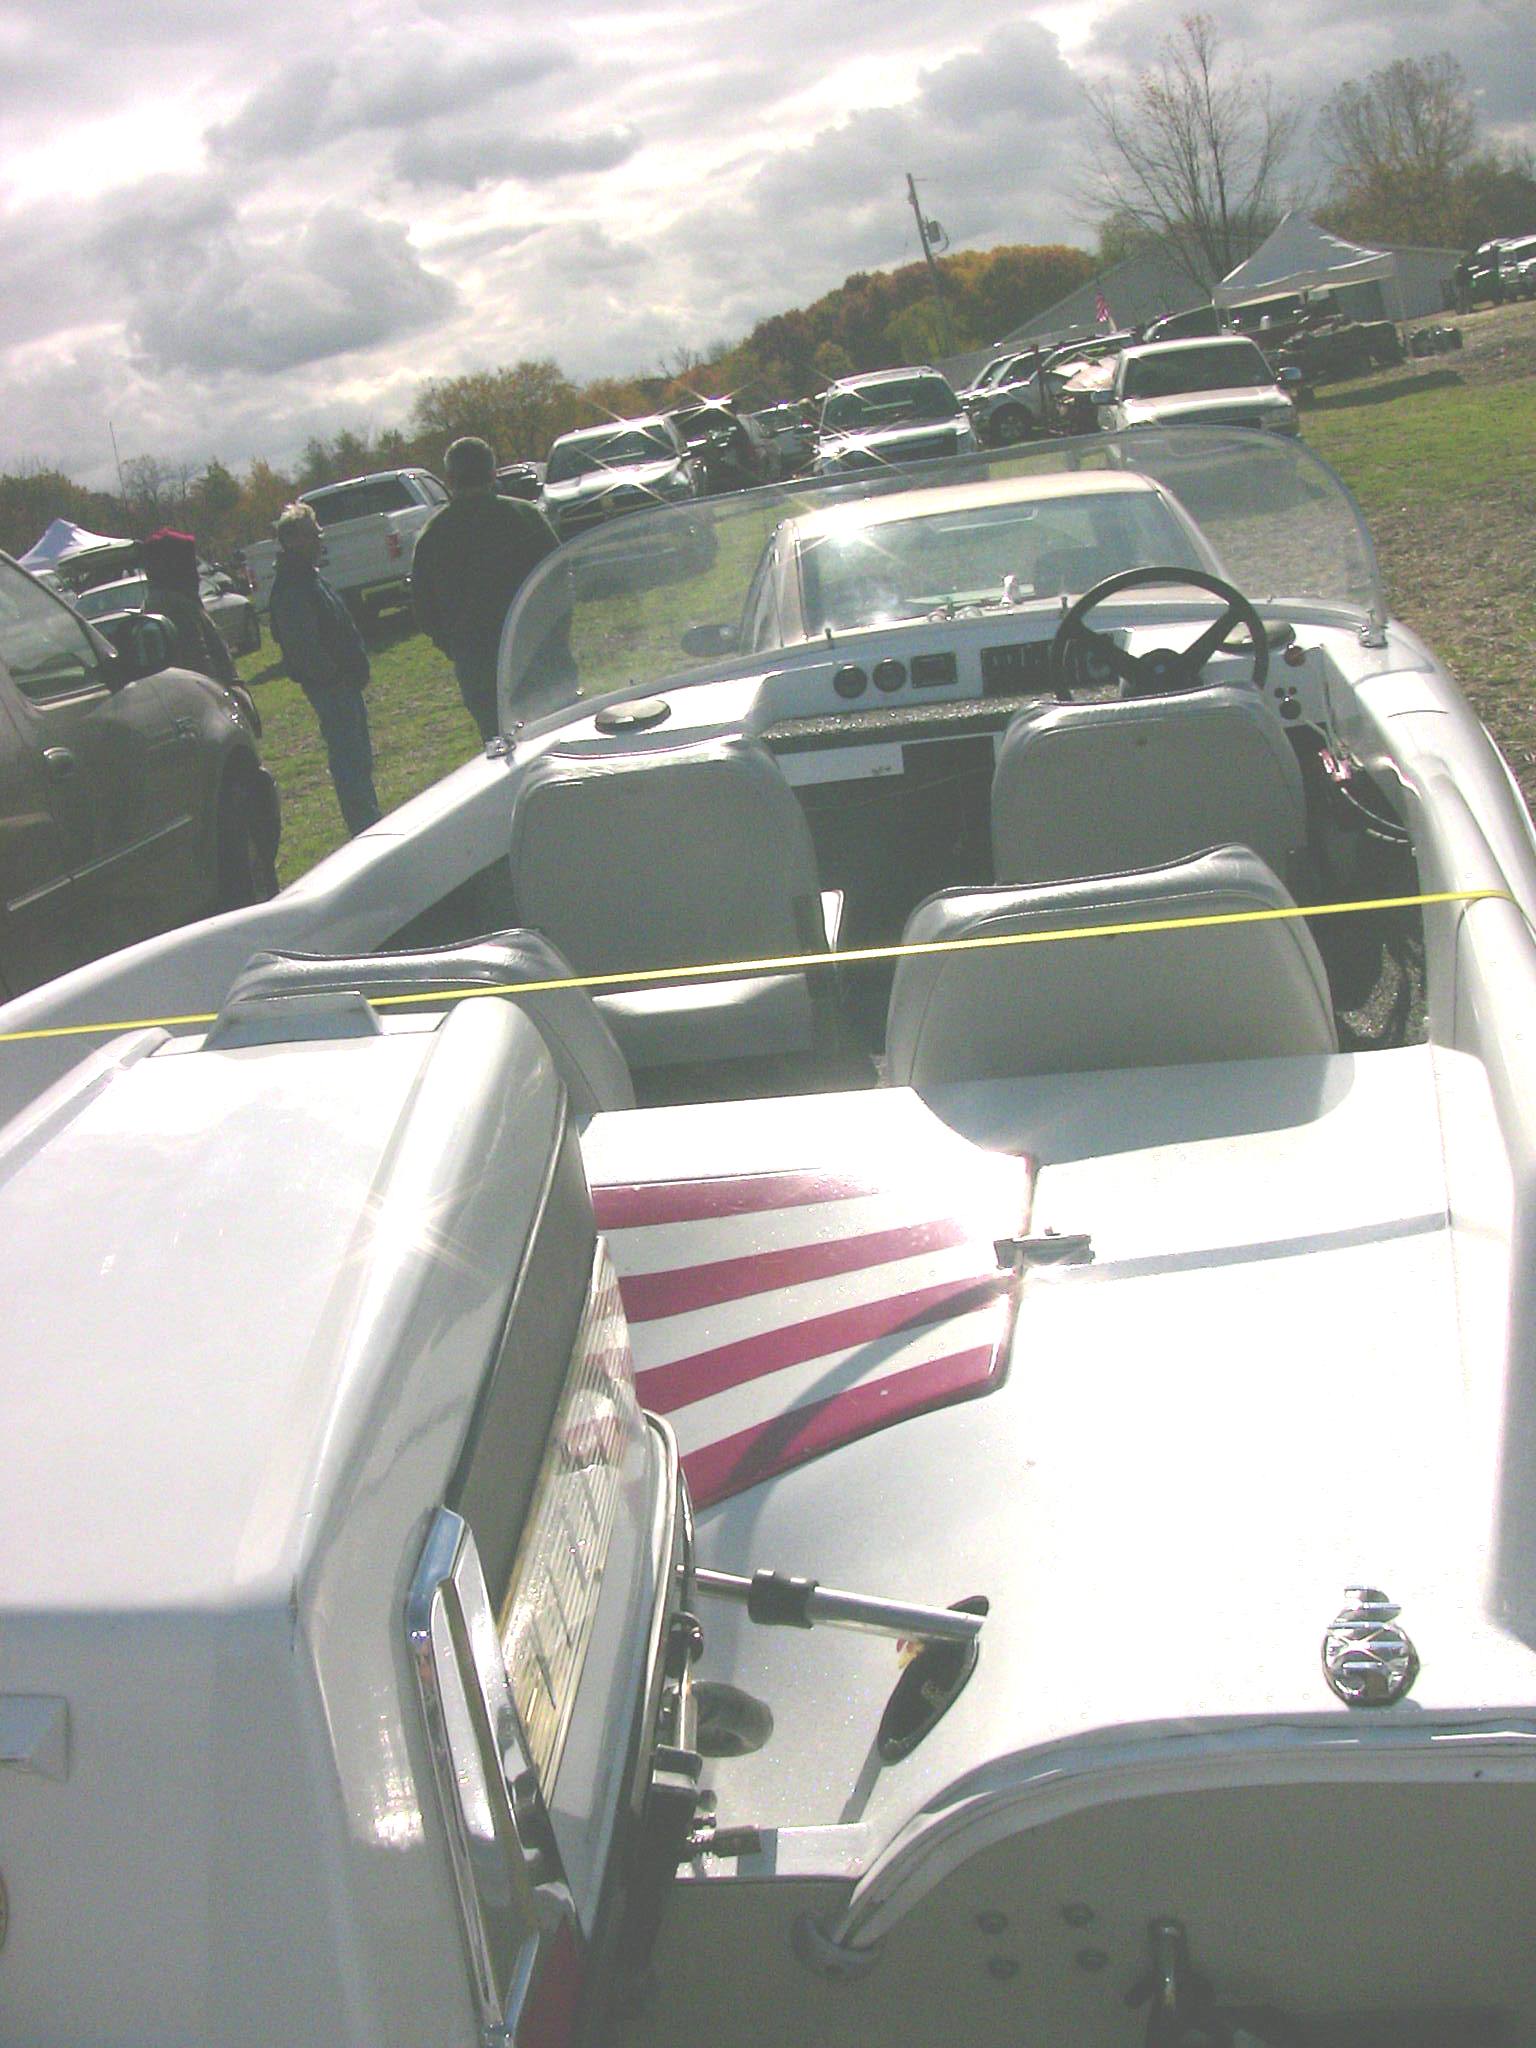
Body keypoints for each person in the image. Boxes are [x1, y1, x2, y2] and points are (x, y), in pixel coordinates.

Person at [411, 435, 560, 743]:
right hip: (538, 654)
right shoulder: (526, 517)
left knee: (499, 746)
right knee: (553, 741)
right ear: (493, 473)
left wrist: (456, 647)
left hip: (478, 666)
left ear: (449, 480)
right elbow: (559, 578)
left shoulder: (433, 535)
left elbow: (425, 611)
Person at [267, 502, 382, 837]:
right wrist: (335, 675)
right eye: (312, 534)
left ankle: (369, 821)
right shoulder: (293, 586)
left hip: (342, 684)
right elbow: (303, 646)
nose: (320, 540)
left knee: (359, 758)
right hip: (332, 688)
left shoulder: (308, 577)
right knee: (349, 761)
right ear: (292, 540)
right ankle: (364, 828)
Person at [136, 528, 238, 686]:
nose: (197, 576)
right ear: (177, 569)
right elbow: (199, 664)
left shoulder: (159, 604)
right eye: (190, 566)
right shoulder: (176, 608)